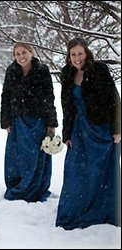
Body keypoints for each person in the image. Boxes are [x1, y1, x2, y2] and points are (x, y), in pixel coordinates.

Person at [56, 37, 121, 230]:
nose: (77, 58)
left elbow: (114, 99)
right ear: (69, 56)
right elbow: (66, 106)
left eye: (80, 53)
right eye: (73, 54)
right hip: (77, 130)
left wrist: (118, 129)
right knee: (75, 172)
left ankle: (103, 212)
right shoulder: (66, 73)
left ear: (87, 53)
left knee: (102, 172)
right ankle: (74, 212)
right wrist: (66, 132)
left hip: (100, 128)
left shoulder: (99, 70)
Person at [0, 42, 58, 202]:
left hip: (38, 121)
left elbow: (49, 96)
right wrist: (6, 121)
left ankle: (36, 189)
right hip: (18, 121)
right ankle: (19, 187)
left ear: (31, 52)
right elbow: (6, 96)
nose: (21, 56)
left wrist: (51, 122)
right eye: (17, 54)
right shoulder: (11, 71)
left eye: (24, 52)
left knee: (37, 157)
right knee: (17, 158)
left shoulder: (42, 70)